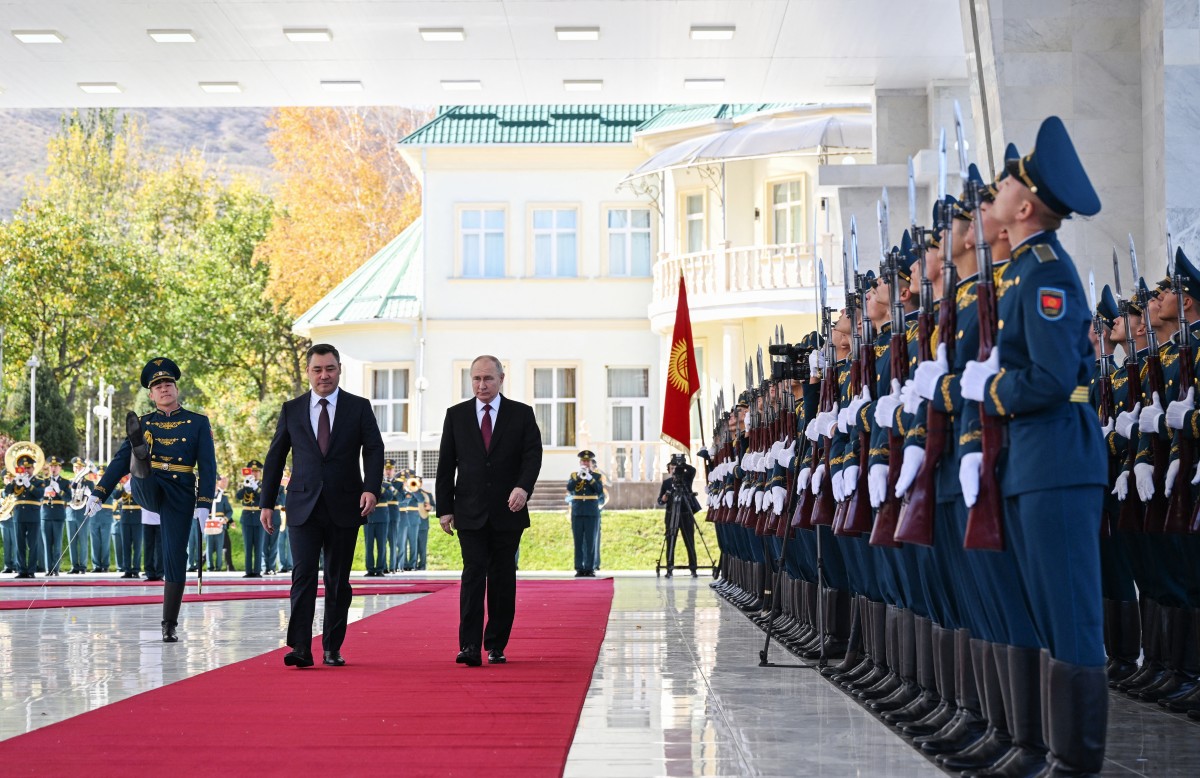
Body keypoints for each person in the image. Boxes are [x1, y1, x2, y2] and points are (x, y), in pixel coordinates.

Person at [258, 343, 384, 669]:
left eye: (329, 369)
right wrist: (267, 503)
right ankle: (300, 646)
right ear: (309, 372)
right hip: (302, 505)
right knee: (302, 576)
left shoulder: (358, 407)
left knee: (338, 580)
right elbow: (275, 458)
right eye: (317, 369)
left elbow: (373, 449)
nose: (324, 375)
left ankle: (332, 647)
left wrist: (371, 488)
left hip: (346, 505)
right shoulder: (292, 409)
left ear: (339, 369)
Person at [86, 357, 217, 641]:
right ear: (151, 394)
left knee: (175, 556)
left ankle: (169, 623)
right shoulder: (144, 422)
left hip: (180, 493)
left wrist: (204, 503)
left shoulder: (197, 422)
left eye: (168, 383)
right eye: (158, 385)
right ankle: (140, 451)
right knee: (137, 465)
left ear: (176, 388)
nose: (164, 388)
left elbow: (208, 465)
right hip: (150, 485)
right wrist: (99, 492)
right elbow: (118, 462)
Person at [436, 354, 543, 667]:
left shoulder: (521, 414)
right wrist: (444, 508)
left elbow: (532, 457)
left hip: (507, 511)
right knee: (472, 575)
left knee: (501, 578)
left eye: (488, 379)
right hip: (468, 510)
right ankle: (468, 646)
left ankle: (495, 643)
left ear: (501, 379)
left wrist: (523, 488)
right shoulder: (456, 415)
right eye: (476, 379)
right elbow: (446, 466)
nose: (481, 385)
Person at [4, 453, 45, 578]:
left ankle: (31, 570)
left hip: (33, 516)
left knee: (33, 545)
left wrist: (29, 485)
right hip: (19, 516)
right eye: (23, 468)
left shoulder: (39, 482)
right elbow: (6, 493)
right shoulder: (17, 481)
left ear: (33, 468)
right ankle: (21, 570)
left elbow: (39, 494)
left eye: (28, 468)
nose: (26, 470)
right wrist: (14, 482)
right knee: (19, 544)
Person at [658, 454, 698, 578]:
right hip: (671, 515)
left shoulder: (686, 478)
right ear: (668, 470)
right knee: (670, 542)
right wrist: (664, 498)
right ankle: (669, 567)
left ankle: (693, 568)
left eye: (676, 467)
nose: (674, 470)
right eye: (672, 468)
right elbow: (660, 500)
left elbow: (693, 470)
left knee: (689, 541)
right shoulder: (666, 483)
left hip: (686, 514)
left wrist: (682, 465)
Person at [567, 450, 604, 577]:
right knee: (578, 541)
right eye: (583, 461)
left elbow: (599, 491)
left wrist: (590, 478)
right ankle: (579, 568)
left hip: (591, 512)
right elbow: (570, 488)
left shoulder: (597, 476)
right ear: (580, 462)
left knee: (590, 541)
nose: (585, 463)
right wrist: (579, 476)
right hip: (577, 512)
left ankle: (589, 568)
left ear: (591, 463)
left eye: (587, 461)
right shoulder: (574, 475)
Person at [41, 455, 70, 576]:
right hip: (46, 515)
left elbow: (69, 498)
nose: (53, 468)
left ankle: (56, 569)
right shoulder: (43, 482)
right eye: (51, 466)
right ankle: (49, 569)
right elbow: (38, 496)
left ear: (60, 468)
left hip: (58, 515)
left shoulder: (65, 482)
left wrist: (59, 491)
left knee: (57, 544)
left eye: (56, 466)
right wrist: (44, 491)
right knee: (47, 544)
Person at [237, 461, 264, 577]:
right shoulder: (245, 483)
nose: (255, 473)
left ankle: (257, 571)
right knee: (248, 546)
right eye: (253, 471)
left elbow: (264, 497)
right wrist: (246, 486)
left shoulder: (264, 485)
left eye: (257, 471)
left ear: (260, 473)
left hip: (259, 517)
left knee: (258, 546)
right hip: (247, 517)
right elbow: (238, 496)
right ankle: (248, 571)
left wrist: (256, 487)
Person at [65, 457, 90, 574]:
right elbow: (65, 497)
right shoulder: (69, 482)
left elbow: (94, 499)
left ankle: (83, 566)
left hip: (82, 513)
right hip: (71, 513)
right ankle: (74, 566)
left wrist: (89, 494)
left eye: (79, 467)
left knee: (83, 540)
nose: (77, 469)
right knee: (72, 542)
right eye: (75, 467)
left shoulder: (89, 483)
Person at [208, 475, 232, 572]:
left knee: (219, 548)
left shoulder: (223, 497)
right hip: (208, 525)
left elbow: (229, 511)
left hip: (220, 525)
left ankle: (218, 567)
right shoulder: (205, 497)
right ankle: (210, 567)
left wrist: (225, 519)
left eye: (215, 484)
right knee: (209, 548)